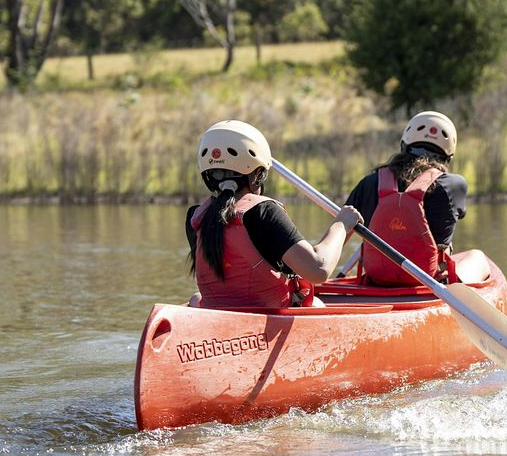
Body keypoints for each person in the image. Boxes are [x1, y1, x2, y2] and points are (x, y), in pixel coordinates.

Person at [186, 120, 362, 309]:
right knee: (316, 305)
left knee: (197, 299)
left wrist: (340, 236)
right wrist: (342, 224)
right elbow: (318, 270)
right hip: (265, 320)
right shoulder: (264, 212)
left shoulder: (196, 217)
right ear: (259, 173)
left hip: (217, 315)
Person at [345, 110, 468, 286]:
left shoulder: (369, 183)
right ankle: (453, 287)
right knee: (476, 257)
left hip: (378, 277)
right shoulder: (454, 184)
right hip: (427, 279)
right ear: (449, 156)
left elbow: (342, 228)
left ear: (404, 145)